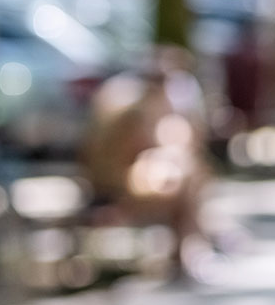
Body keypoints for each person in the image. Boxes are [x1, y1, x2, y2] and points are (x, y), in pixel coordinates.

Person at [80, 46, 214, 282]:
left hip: (115, 181)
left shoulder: (129, 99)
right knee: (186, 179)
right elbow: (138, 154)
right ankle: (192, 248)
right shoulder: (132, 108)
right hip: (115, 189)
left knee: (187, 176)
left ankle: (193, 247)